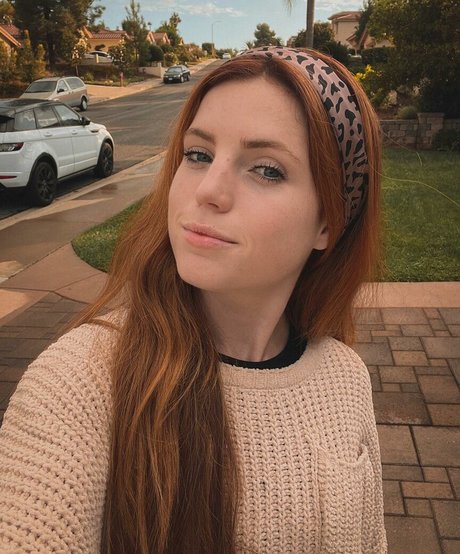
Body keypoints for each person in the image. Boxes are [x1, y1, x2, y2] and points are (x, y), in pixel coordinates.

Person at [0, 47, 387, 553]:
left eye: (267, 169)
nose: (208, 190)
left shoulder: (347, 378)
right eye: (198, 155)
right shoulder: (81, 382)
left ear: (328, 223)